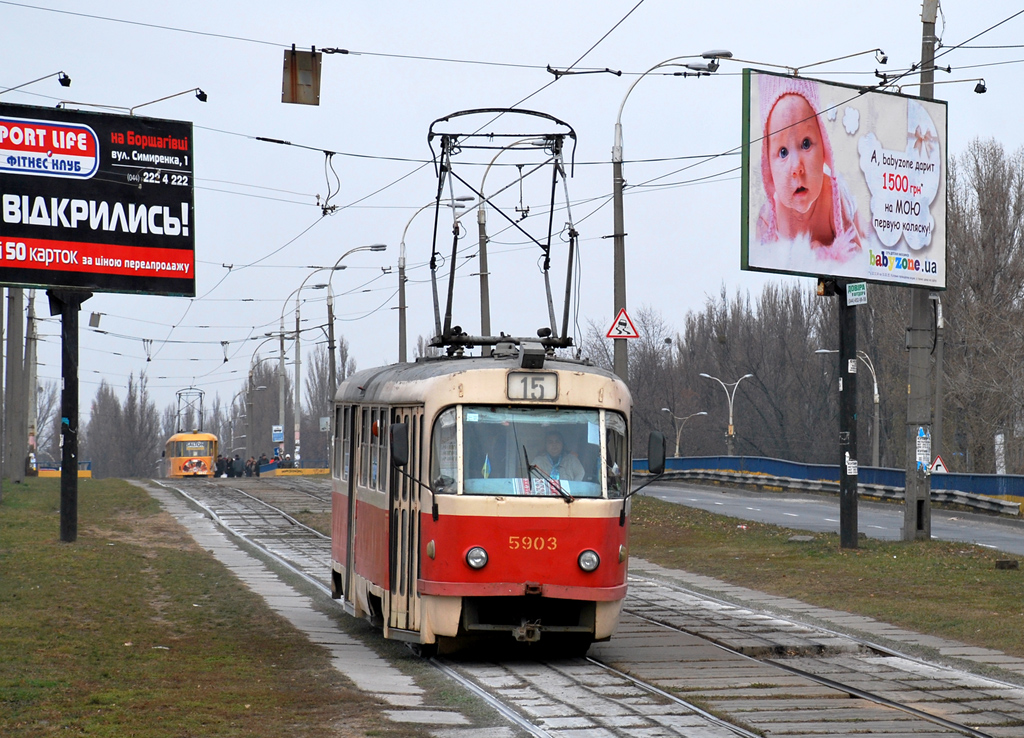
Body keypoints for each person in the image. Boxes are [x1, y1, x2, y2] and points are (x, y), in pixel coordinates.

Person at [756, 74, 862, 263]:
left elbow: (857, 257)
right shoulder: (769, 217)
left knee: (863, 227)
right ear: (768, 169)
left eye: (806, 144)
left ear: (824, 150)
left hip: (846, 205)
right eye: (782, 152)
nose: (797, 167)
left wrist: (823, 252)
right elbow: (760, 255)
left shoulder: (833, 198)